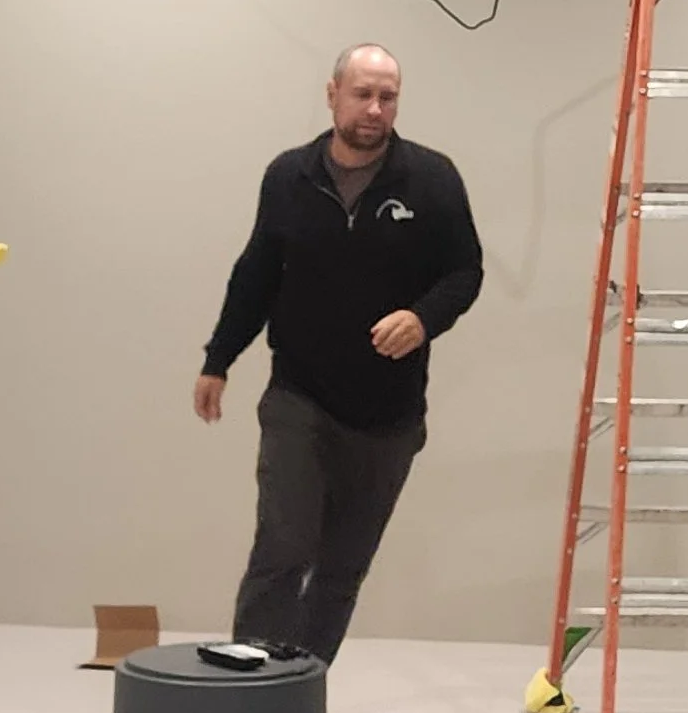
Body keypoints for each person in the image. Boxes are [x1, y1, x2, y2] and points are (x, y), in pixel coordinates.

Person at [196, 45, 483, 663]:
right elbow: (256, 276)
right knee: (283, 549)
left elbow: (465, 272)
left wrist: (422, 318)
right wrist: (219, 359)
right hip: (299, 396)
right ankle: (251, 702)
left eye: (388, 97)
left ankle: (299, 697)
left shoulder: (433, 179)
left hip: (389, 414)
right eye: (362, 94)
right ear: (332, 95)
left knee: (340, 571)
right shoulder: (288, 177)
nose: (375, 109)